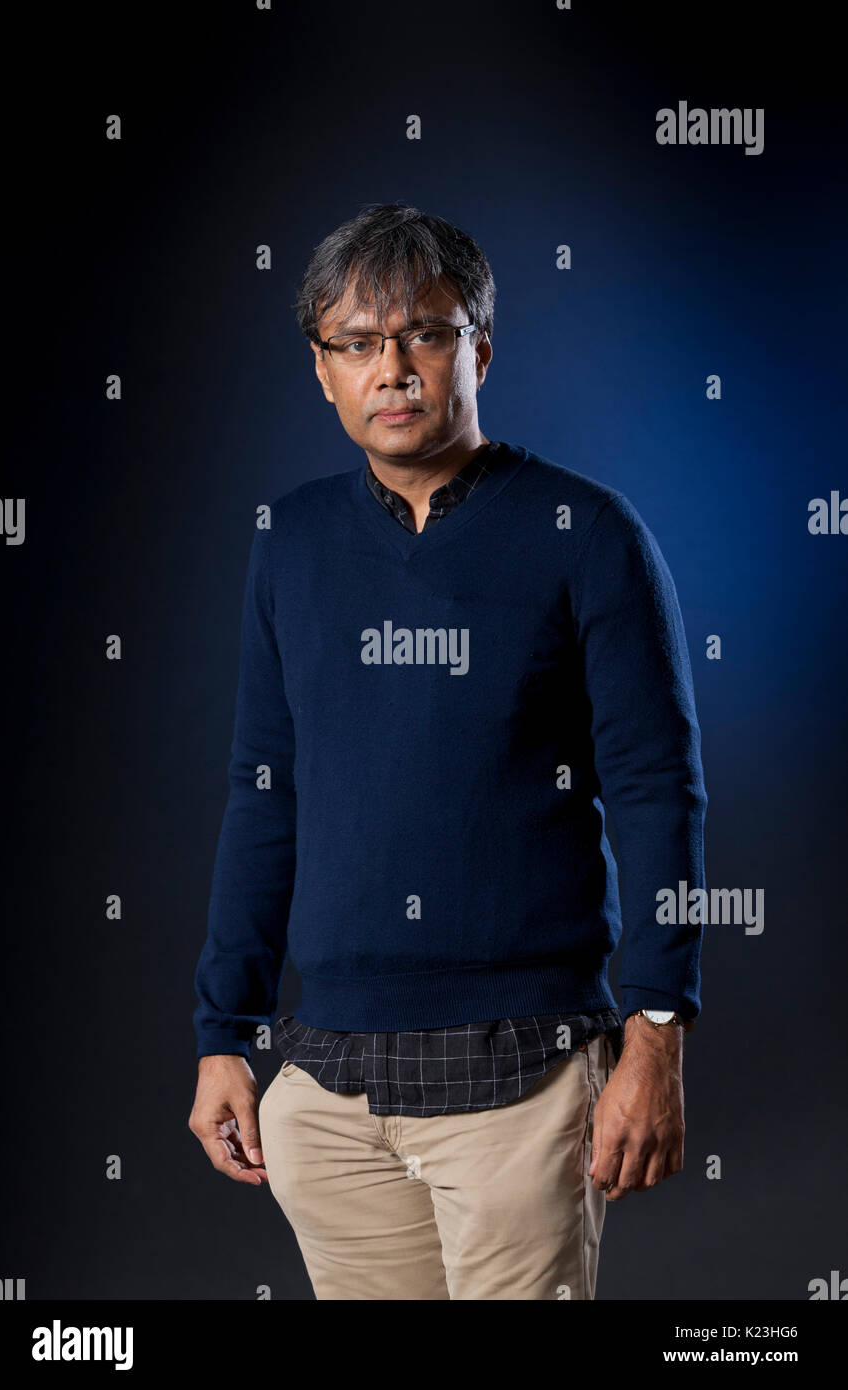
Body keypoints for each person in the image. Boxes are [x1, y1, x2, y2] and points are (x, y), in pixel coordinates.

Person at [188, 202, 706, 1301]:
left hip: (523, 1075)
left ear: (477, 345)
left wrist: (656, 1029)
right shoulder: (292, 542)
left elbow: (657, 789)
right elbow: (262, 793)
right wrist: (222, 1032)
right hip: (324, 1089)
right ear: (321, 370)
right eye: (357, 343)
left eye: (422, 334)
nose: (393, 368)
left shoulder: (585, 534)